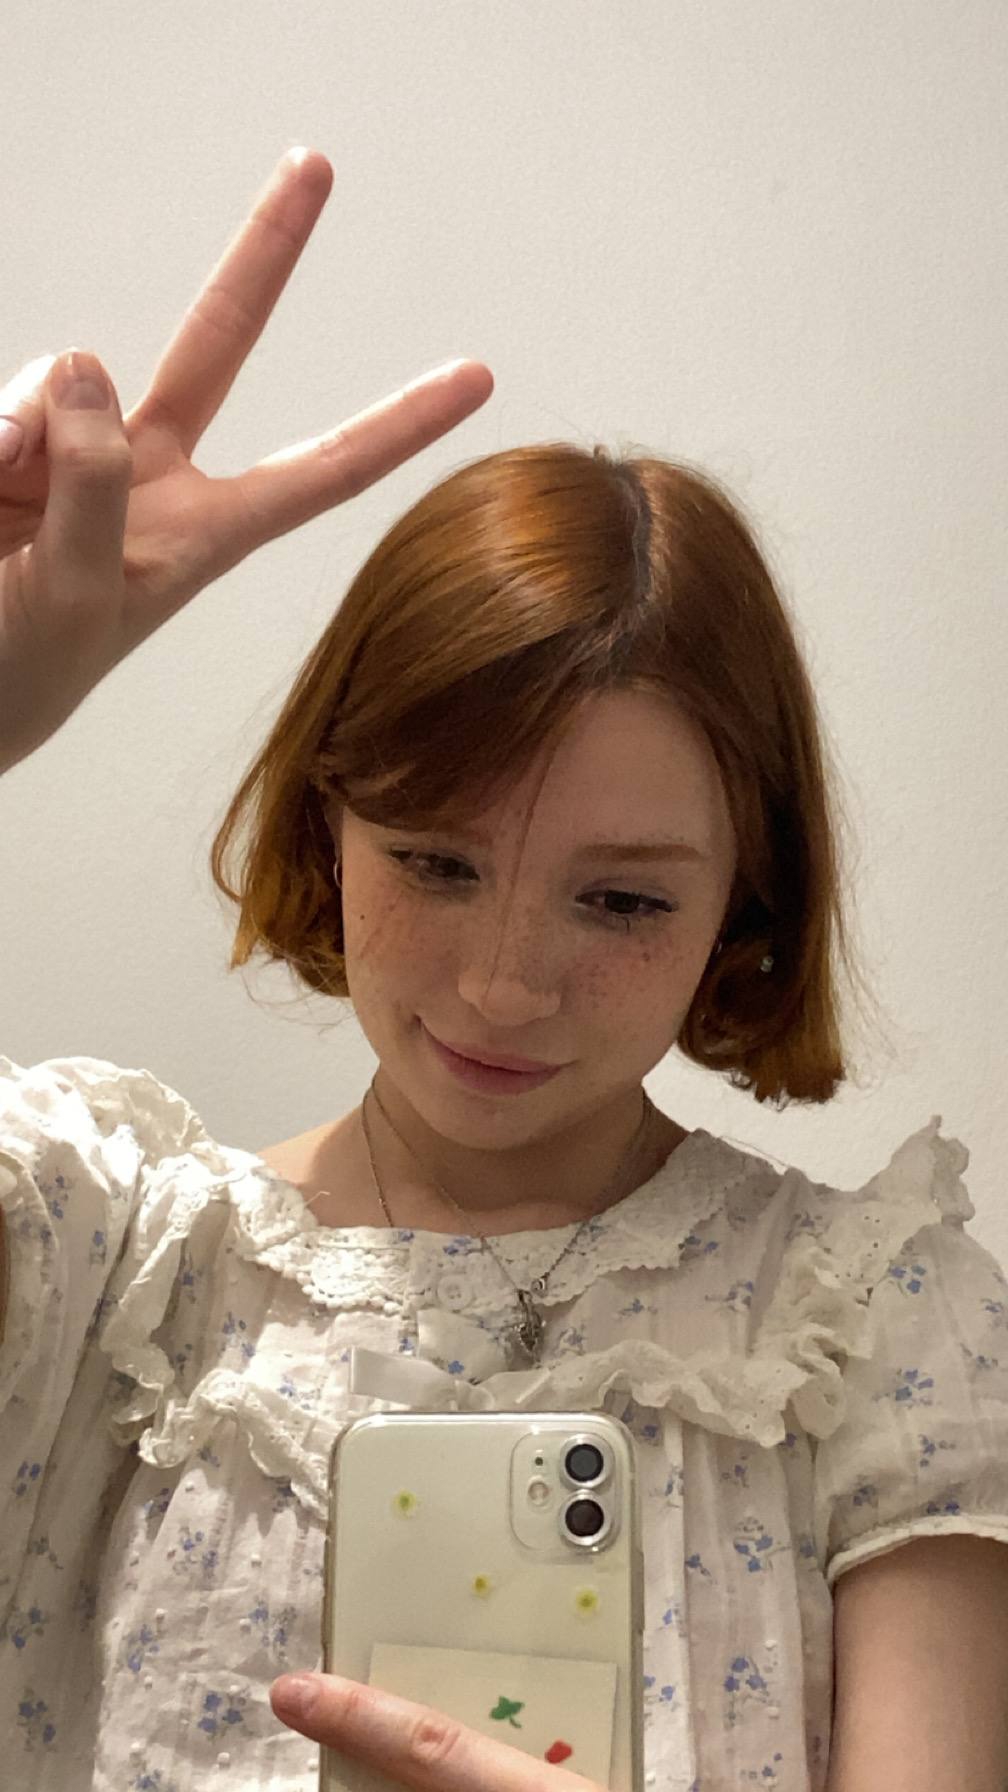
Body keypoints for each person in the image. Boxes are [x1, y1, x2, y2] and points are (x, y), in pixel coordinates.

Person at [1, 147, 1007, 1792]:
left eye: (619, 901)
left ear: (747, 900)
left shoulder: (870, 1326)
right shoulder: (114, 1271)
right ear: (328, 825)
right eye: (437, 864)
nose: (503, 987)